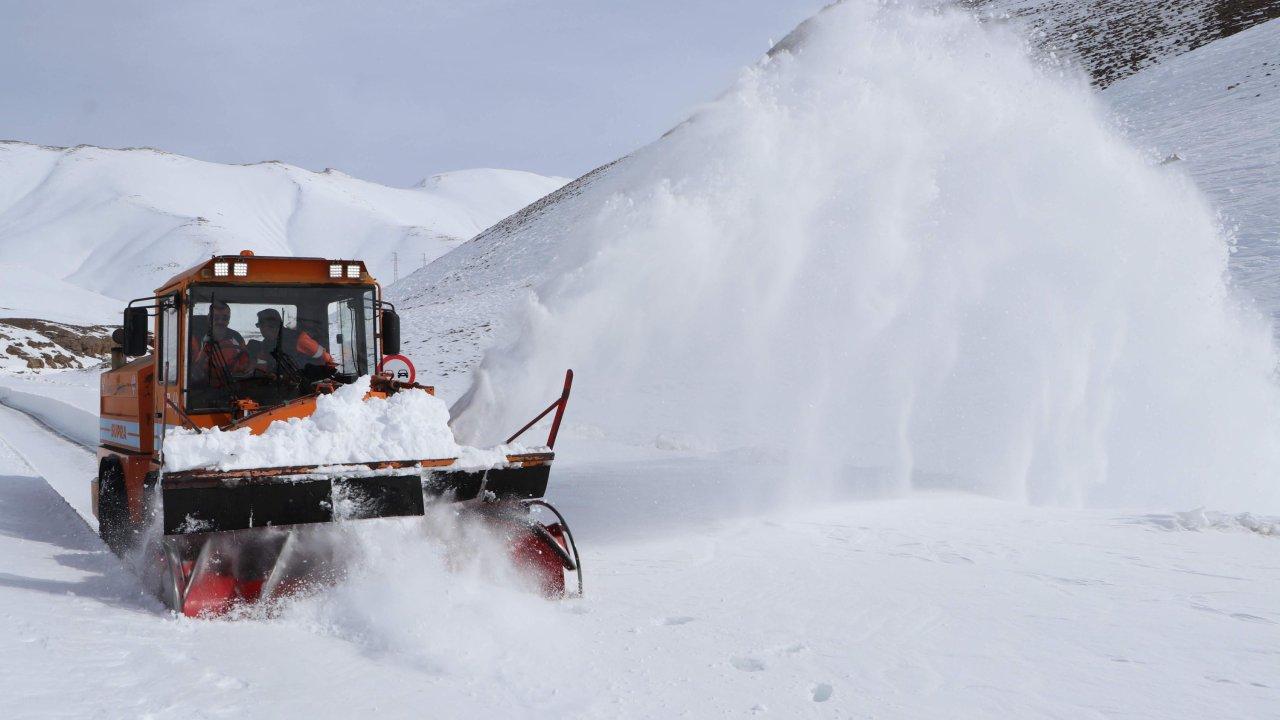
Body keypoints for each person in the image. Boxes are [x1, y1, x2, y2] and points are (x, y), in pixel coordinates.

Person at [248, 308, 335, 377]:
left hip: (307, 387)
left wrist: (329, 373)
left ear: (273, 325)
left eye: (261, 326)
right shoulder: (265, 344)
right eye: (259, 326)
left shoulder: (299, 339)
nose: (260, 329)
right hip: (280, 386)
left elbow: (324, 356)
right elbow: (262, 365)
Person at [189, 299, 250, 385]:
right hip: (201, 387)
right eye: (216, 318)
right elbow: (187, 368)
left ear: (229, 320)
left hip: (231, 386)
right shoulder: (195, 338)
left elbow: (245, 362)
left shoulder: (237, 337)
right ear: (209, 318)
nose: (220, 321)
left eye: (225, 318)